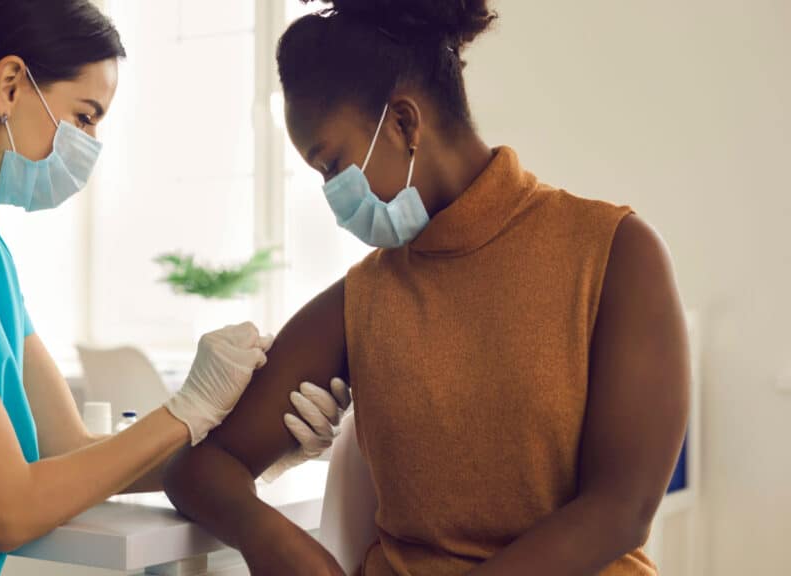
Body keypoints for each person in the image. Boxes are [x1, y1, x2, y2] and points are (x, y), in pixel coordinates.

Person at [0, 1, 350, 574]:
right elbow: (9, 510)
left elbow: (63, 447)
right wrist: (185, 411)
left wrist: (252, 448)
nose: (92, 144)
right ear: (11, 86)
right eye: (85, 116)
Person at [162, 1, 690, 575]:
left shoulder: (616, 253)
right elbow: (201, 469)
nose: (333, 195)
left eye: (333, 165)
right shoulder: (365, 297)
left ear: (404, 124)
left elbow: (621, 510)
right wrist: (272, 539)